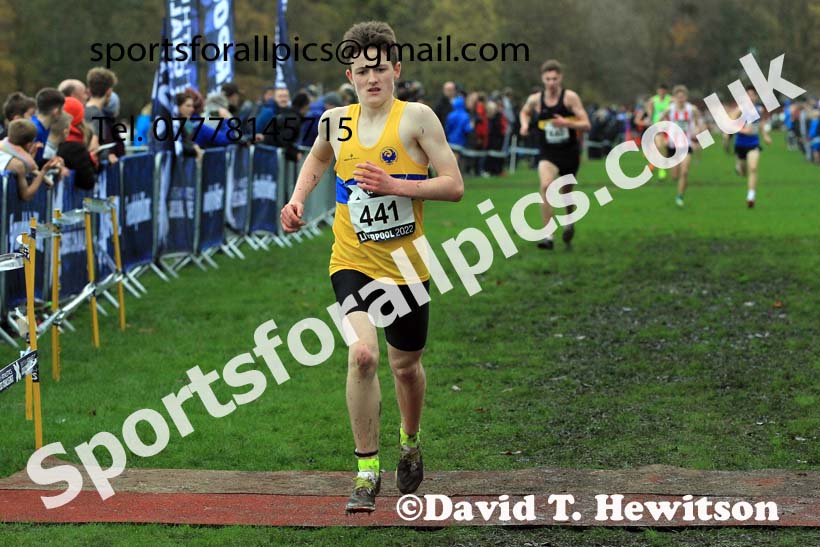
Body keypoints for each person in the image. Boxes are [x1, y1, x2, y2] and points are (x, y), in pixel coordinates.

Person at [280, 20, 463, 514]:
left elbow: (453, 185)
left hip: (406, 267)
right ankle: (365, 470)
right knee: (362, 355)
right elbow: (318, 159)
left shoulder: (418, 118)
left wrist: (395, 184)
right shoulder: (334, 121)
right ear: (351, 75)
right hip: (352, 261)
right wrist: (297, 200)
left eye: (380, 68)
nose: (372, 78)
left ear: (396, 69)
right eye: (363, 70)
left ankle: (410, 442)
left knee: (406, 368)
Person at [519, 59, 590, 250]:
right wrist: (524, 125)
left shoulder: (570, 98)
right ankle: (547, 236)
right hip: (548, 151)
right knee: (546, 185)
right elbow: (524, 112)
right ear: (543, 79)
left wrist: (567, 124)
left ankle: (569, 222)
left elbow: (586, 123)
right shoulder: (536, 99)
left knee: (566, 193)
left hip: (569, 152)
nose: (551, 83)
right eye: (548, 79)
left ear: (561, 79)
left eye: (555, 79)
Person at [725, 85, 771, 208]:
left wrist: (765, 135)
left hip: (754, 144)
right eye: (748, 95)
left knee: (753, 168)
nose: (750, 97)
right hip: (740, 145)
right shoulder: (740, 109)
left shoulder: (759, 109)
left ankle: (751, 196)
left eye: (752, 95)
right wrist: (742, 130)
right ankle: (738, 167)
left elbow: (761, 123)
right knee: (743, 173)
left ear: (756, 97)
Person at [660, 85, 705, 207]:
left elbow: (700, 124)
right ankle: (680, 184)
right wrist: (663, 136)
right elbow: (659, 122)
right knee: (674, 176)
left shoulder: (692, 109)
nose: (680, 99)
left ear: (686, 97)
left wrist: (699, 137)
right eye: (678, 97)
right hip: (672, 145)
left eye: (683, 97)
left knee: (684, 172)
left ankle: (680, 197)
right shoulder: (670, 109)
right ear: (675, 98)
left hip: (686, 145)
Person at [0, 119, 61, 201]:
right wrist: (43, 171)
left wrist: (44, 178)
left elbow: (28, 169)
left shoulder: (3, 149)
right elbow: (26, 195)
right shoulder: (17, 165)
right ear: (29, 144)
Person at [646, 83, 671, 180]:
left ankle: (655, 163)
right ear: (658, 91)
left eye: (663, 90)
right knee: (660, 146)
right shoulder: (654, 100)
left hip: (668, 125)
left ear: (666, 91)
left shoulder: (670, 99)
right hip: (657, 125)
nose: (661, 92)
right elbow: (648, 106)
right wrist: (650, 117)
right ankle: (661, 168)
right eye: (660, 90)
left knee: (664, 146)